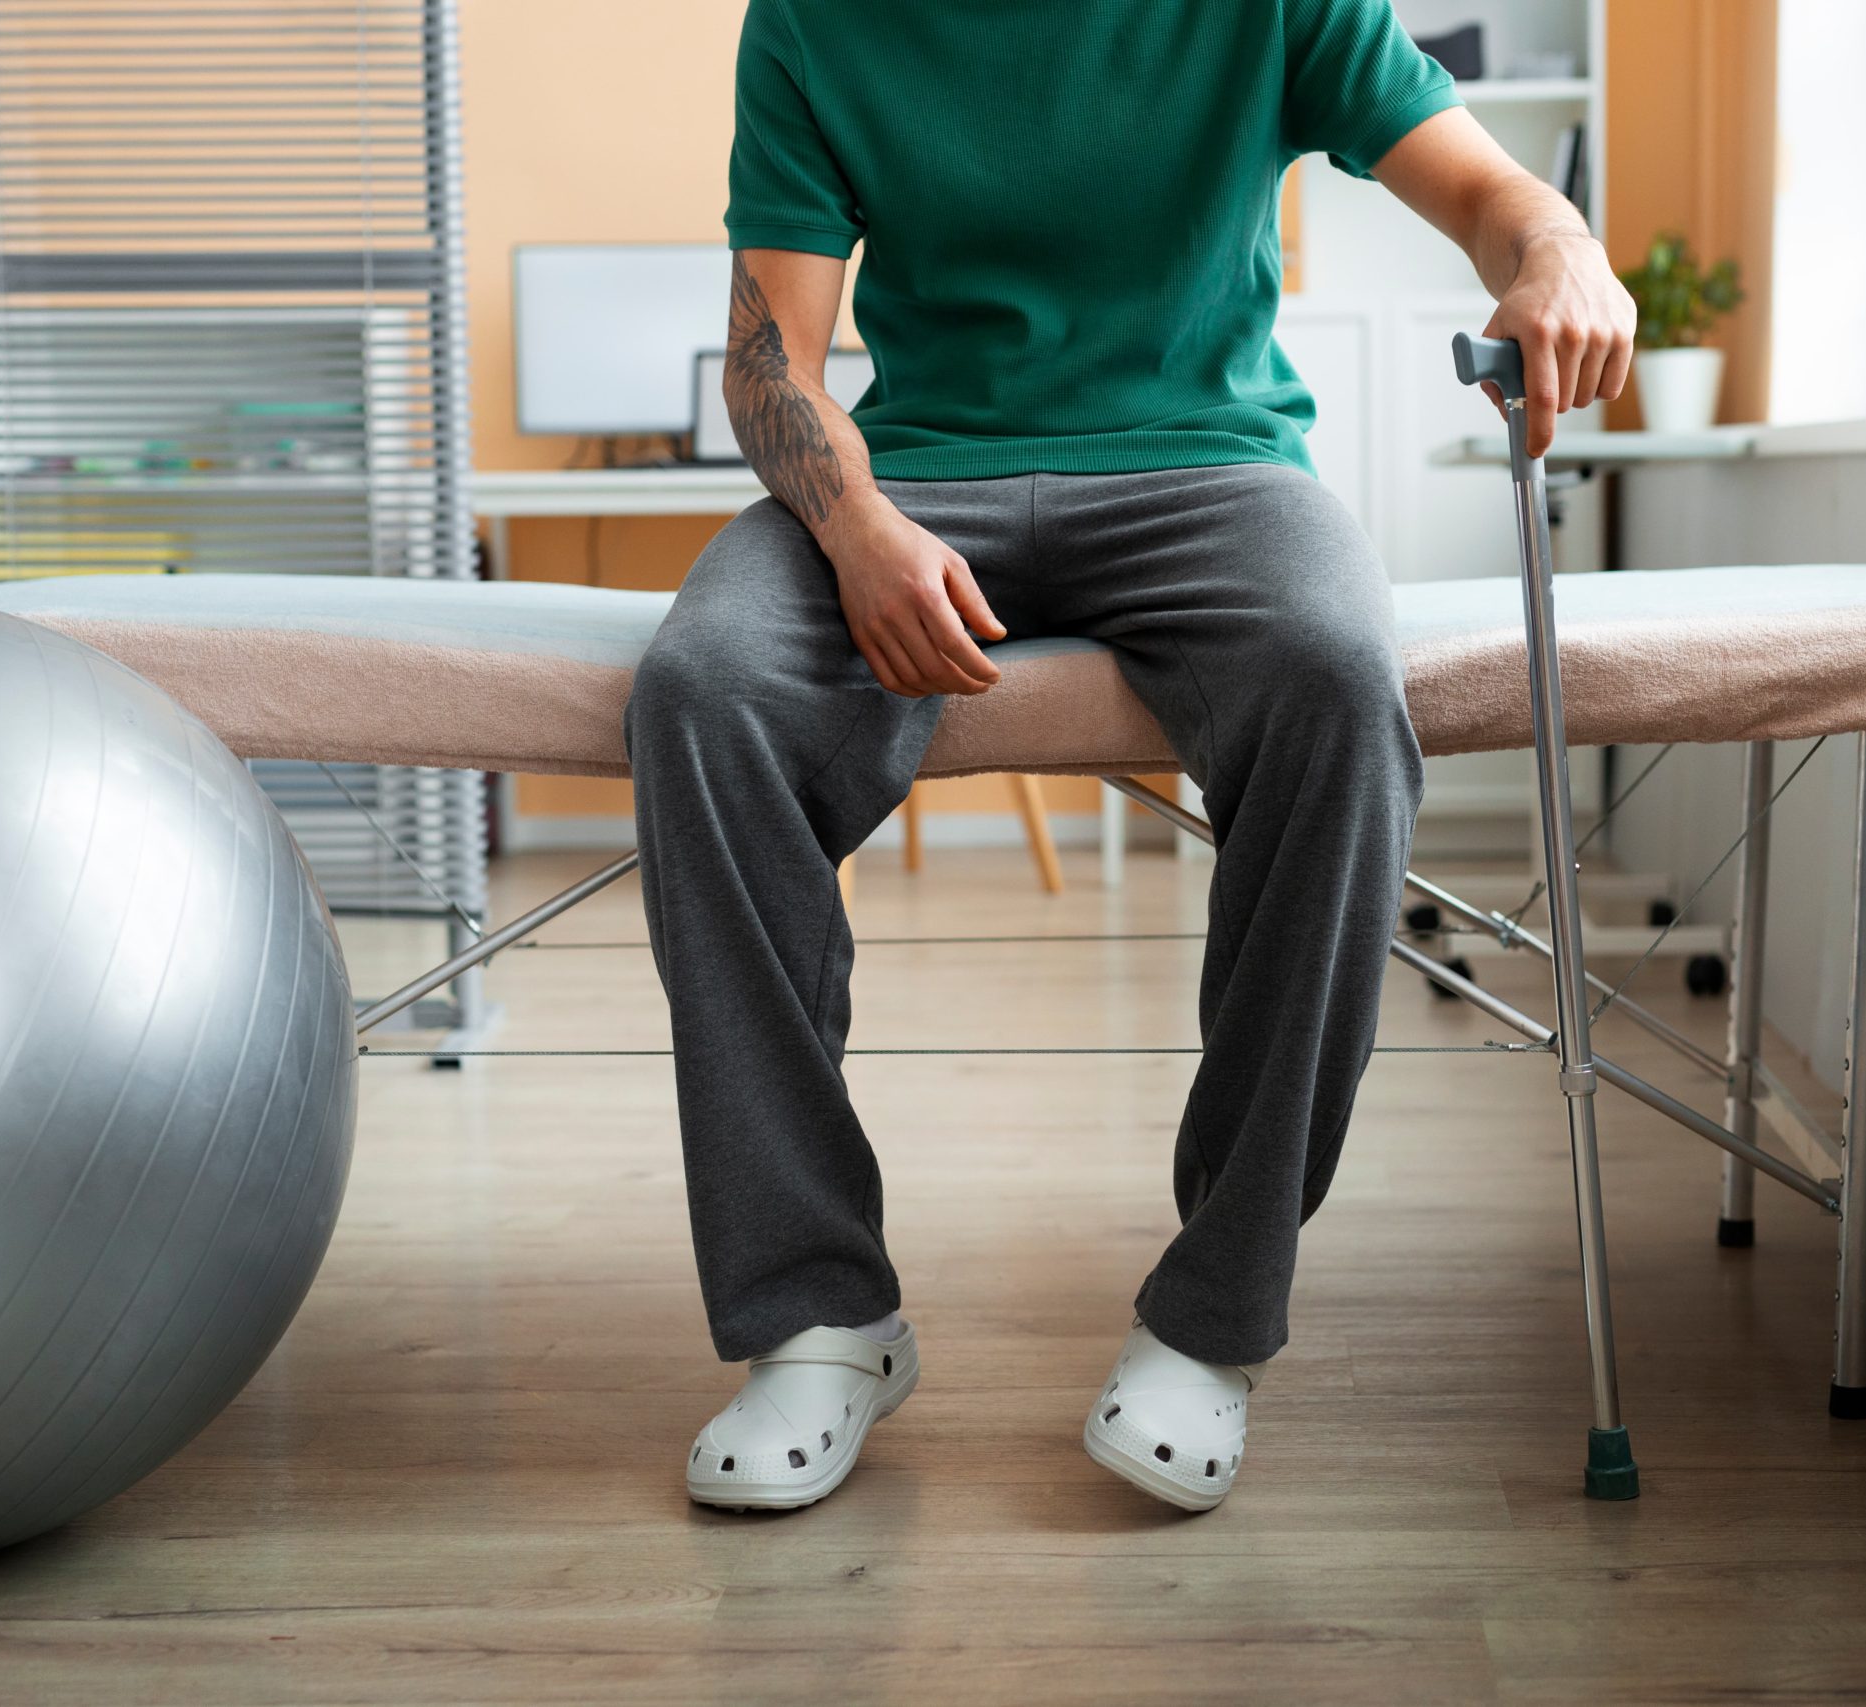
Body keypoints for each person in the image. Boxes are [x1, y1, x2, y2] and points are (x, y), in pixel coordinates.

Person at [629, 0, 1635, 1515]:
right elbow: (772, 359)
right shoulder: (819, 24)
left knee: (1340, 679)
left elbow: (1494, 196)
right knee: (702, 690)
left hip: (1207, 473)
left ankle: (1214, 1314)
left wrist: (1559, 251)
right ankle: (816, 1319)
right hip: (916, 483)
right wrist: (856, 530)